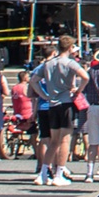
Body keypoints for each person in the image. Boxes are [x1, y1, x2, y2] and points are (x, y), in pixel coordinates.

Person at [36, 35, 90, 186]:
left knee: (53, 141)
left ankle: (43, 173)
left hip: (52, 104)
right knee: (65, 140)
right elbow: (85, 77)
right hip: (66, 102)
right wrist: (78, 91)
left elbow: (33, 81)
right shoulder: (70, 63)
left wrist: (44, 95)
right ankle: (59, 174)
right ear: (70, 48)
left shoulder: (48, 63)